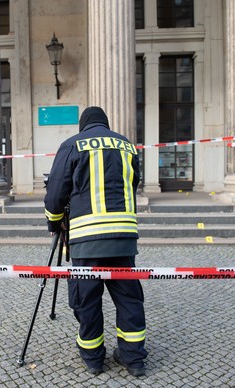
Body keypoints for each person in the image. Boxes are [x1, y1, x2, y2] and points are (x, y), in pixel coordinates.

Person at [44, 106, 147, 377]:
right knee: (129, 299)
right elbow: (134, 183)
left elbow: (55, 193)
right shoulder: (126, 145)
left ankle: (93, 358)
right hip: (124, 238)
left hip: (87, 239)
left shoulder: (71, 145)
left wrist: (54, 222)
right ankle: (133, 357)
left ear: (83, 126)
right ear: (106, 124)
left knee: (86, 298)